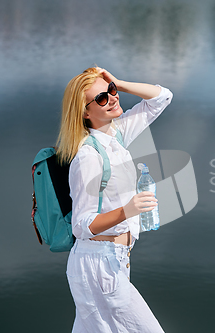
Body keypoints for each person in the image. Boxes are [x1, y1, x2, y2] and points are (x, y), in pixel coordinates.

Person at [56, 67, 172, 333]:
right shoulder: (87, 157)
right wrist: (127, 210)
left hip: (114, 261)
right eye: (101, 98)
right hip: (97, 267)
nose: (112, 98)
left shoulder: (116, 134)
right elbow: (82, 225)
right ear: (85, 112)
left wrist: (119, 82)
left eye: (111, 92)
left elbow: (162, 97)